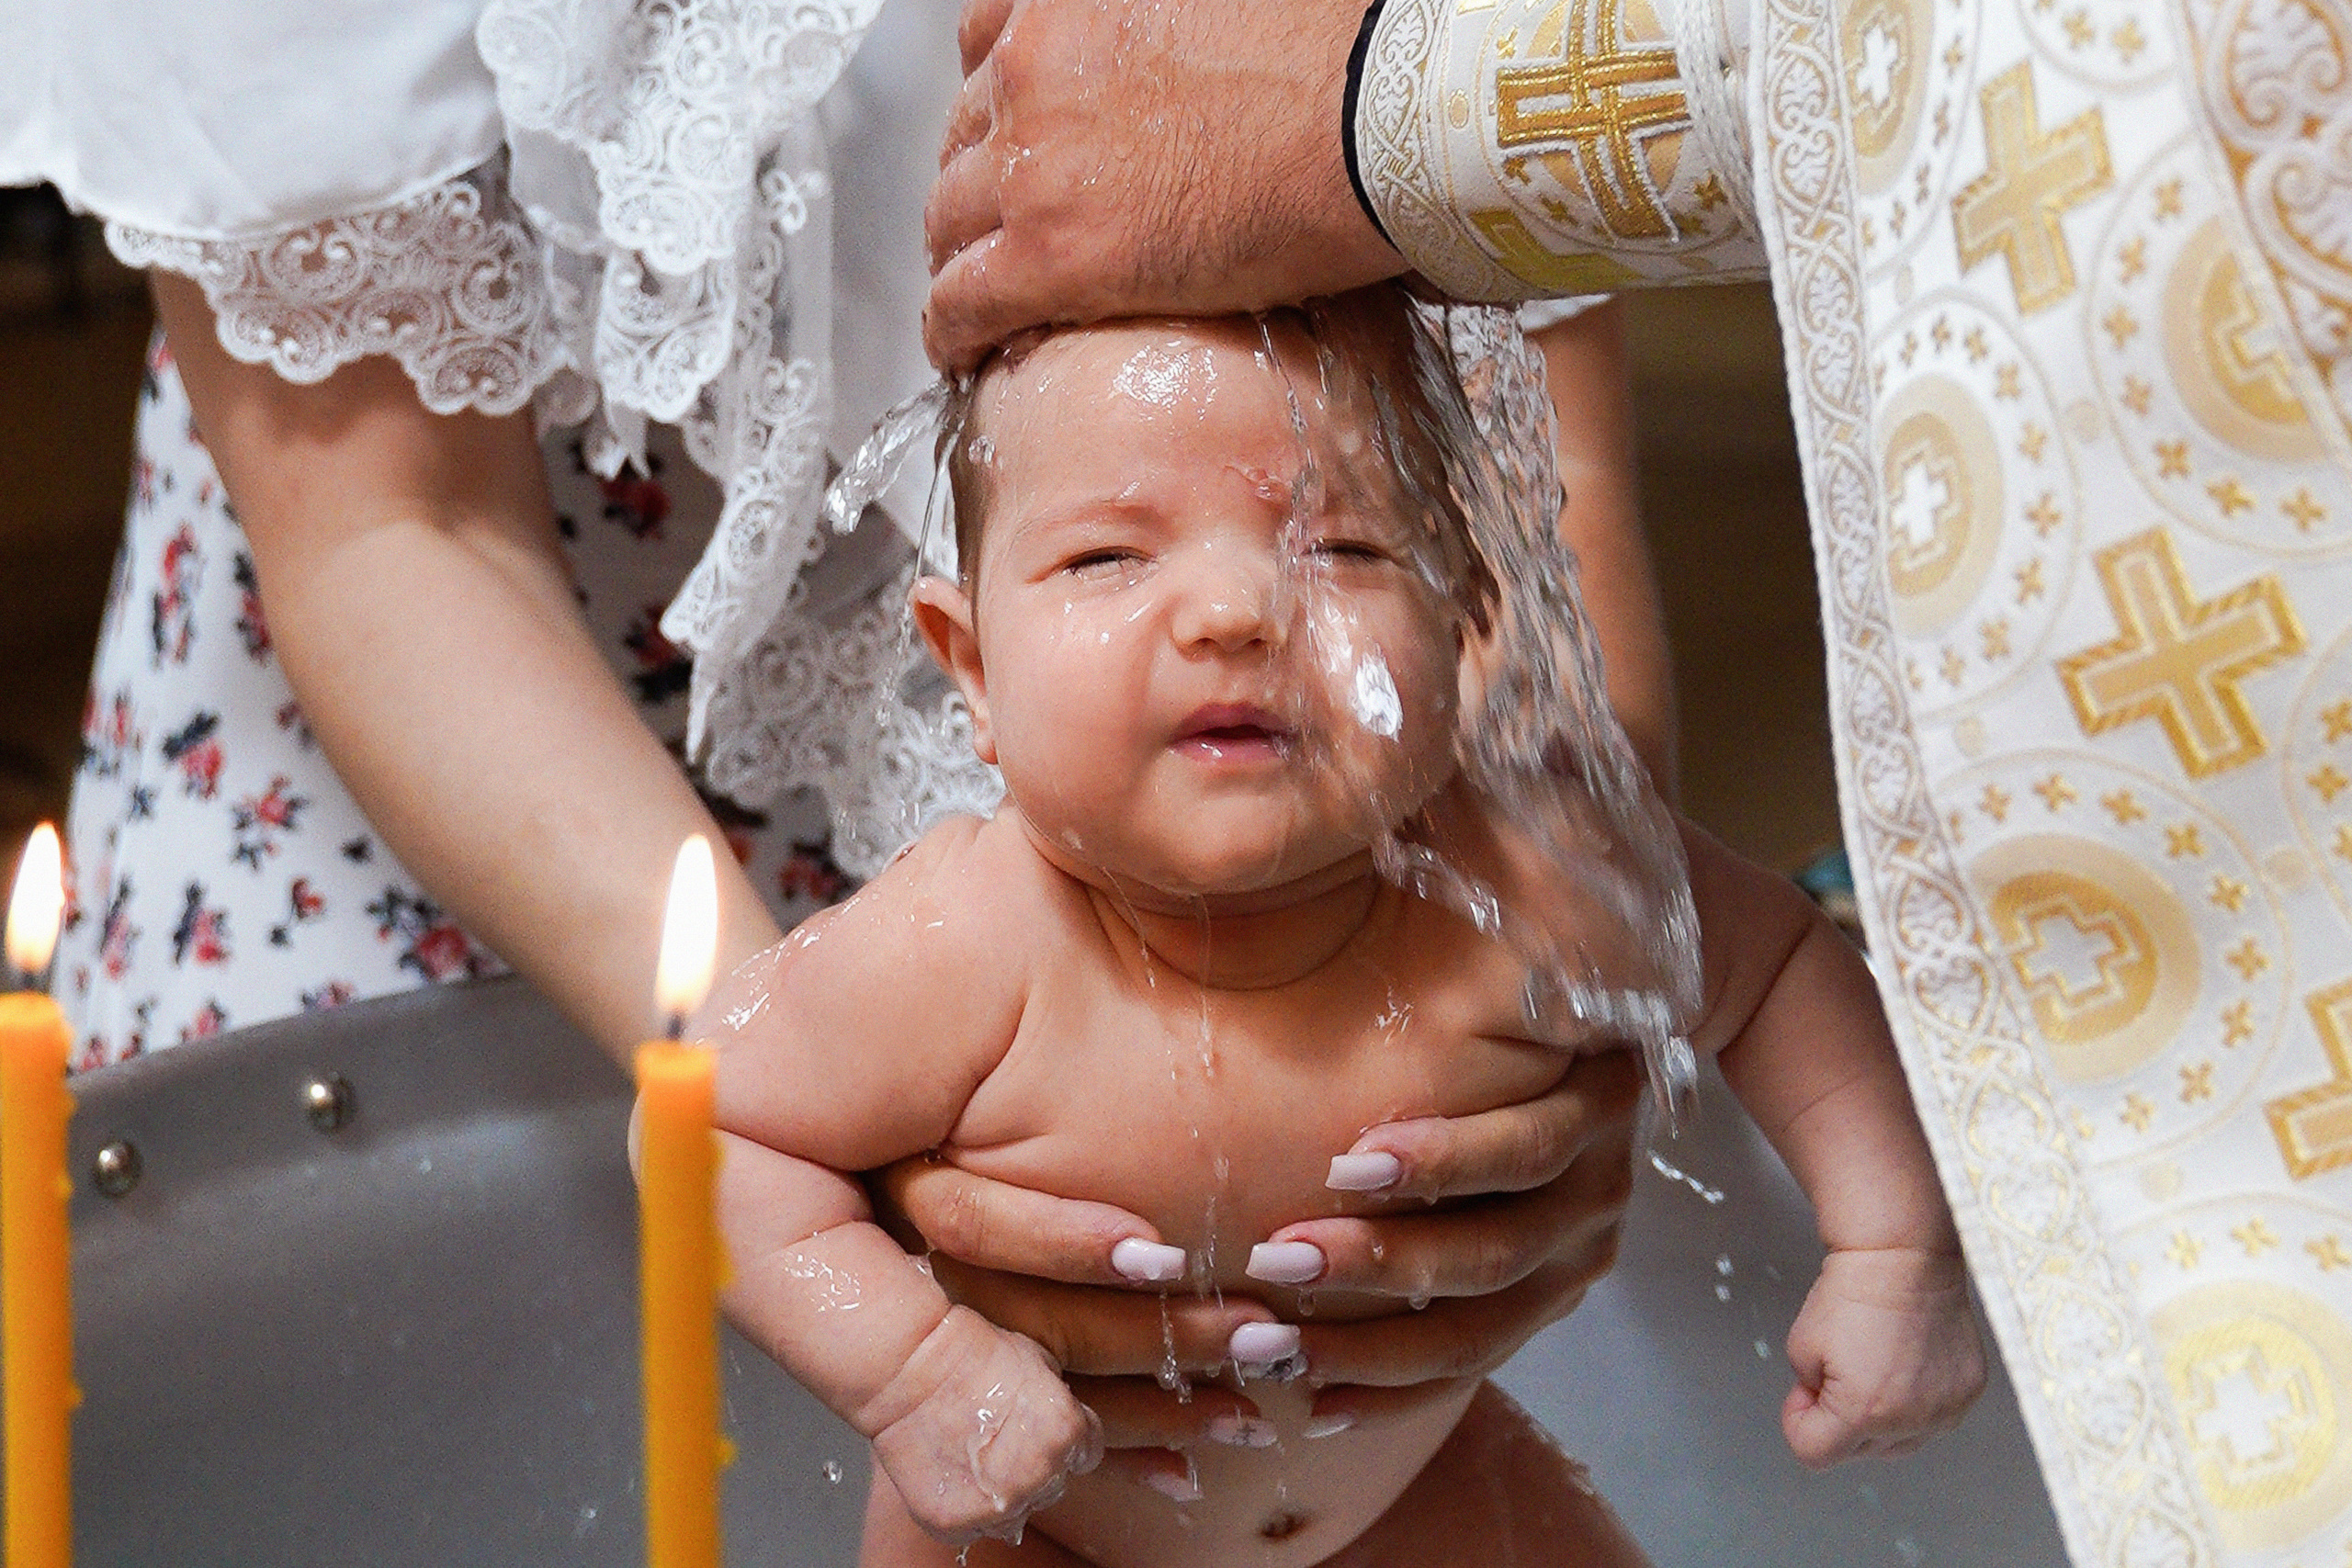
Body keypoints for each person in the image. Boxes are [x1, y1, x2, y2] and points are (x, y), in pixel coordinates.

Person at [3, 0, 1690, 1492]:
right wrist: (817, 1123)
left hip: (1278, 825)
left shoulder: (1366, 670)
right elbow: (398, 531)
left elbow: (1533, 471)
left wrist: (1570, 972)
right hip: (452, 773)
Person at [704, 287, 1984, 1567]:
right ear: (971, 665)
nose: (1235, 612)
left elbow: (1775, 973)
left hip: (1419, 1495)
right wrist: (914, 1372)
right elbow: (710, 1130)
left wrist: (1893, 1247)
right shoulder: (963, 945)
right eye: (1107, 557)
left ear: (1469, 616)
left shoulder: (1527, 883)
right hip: (1034, 1523)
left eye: (1346, 548)